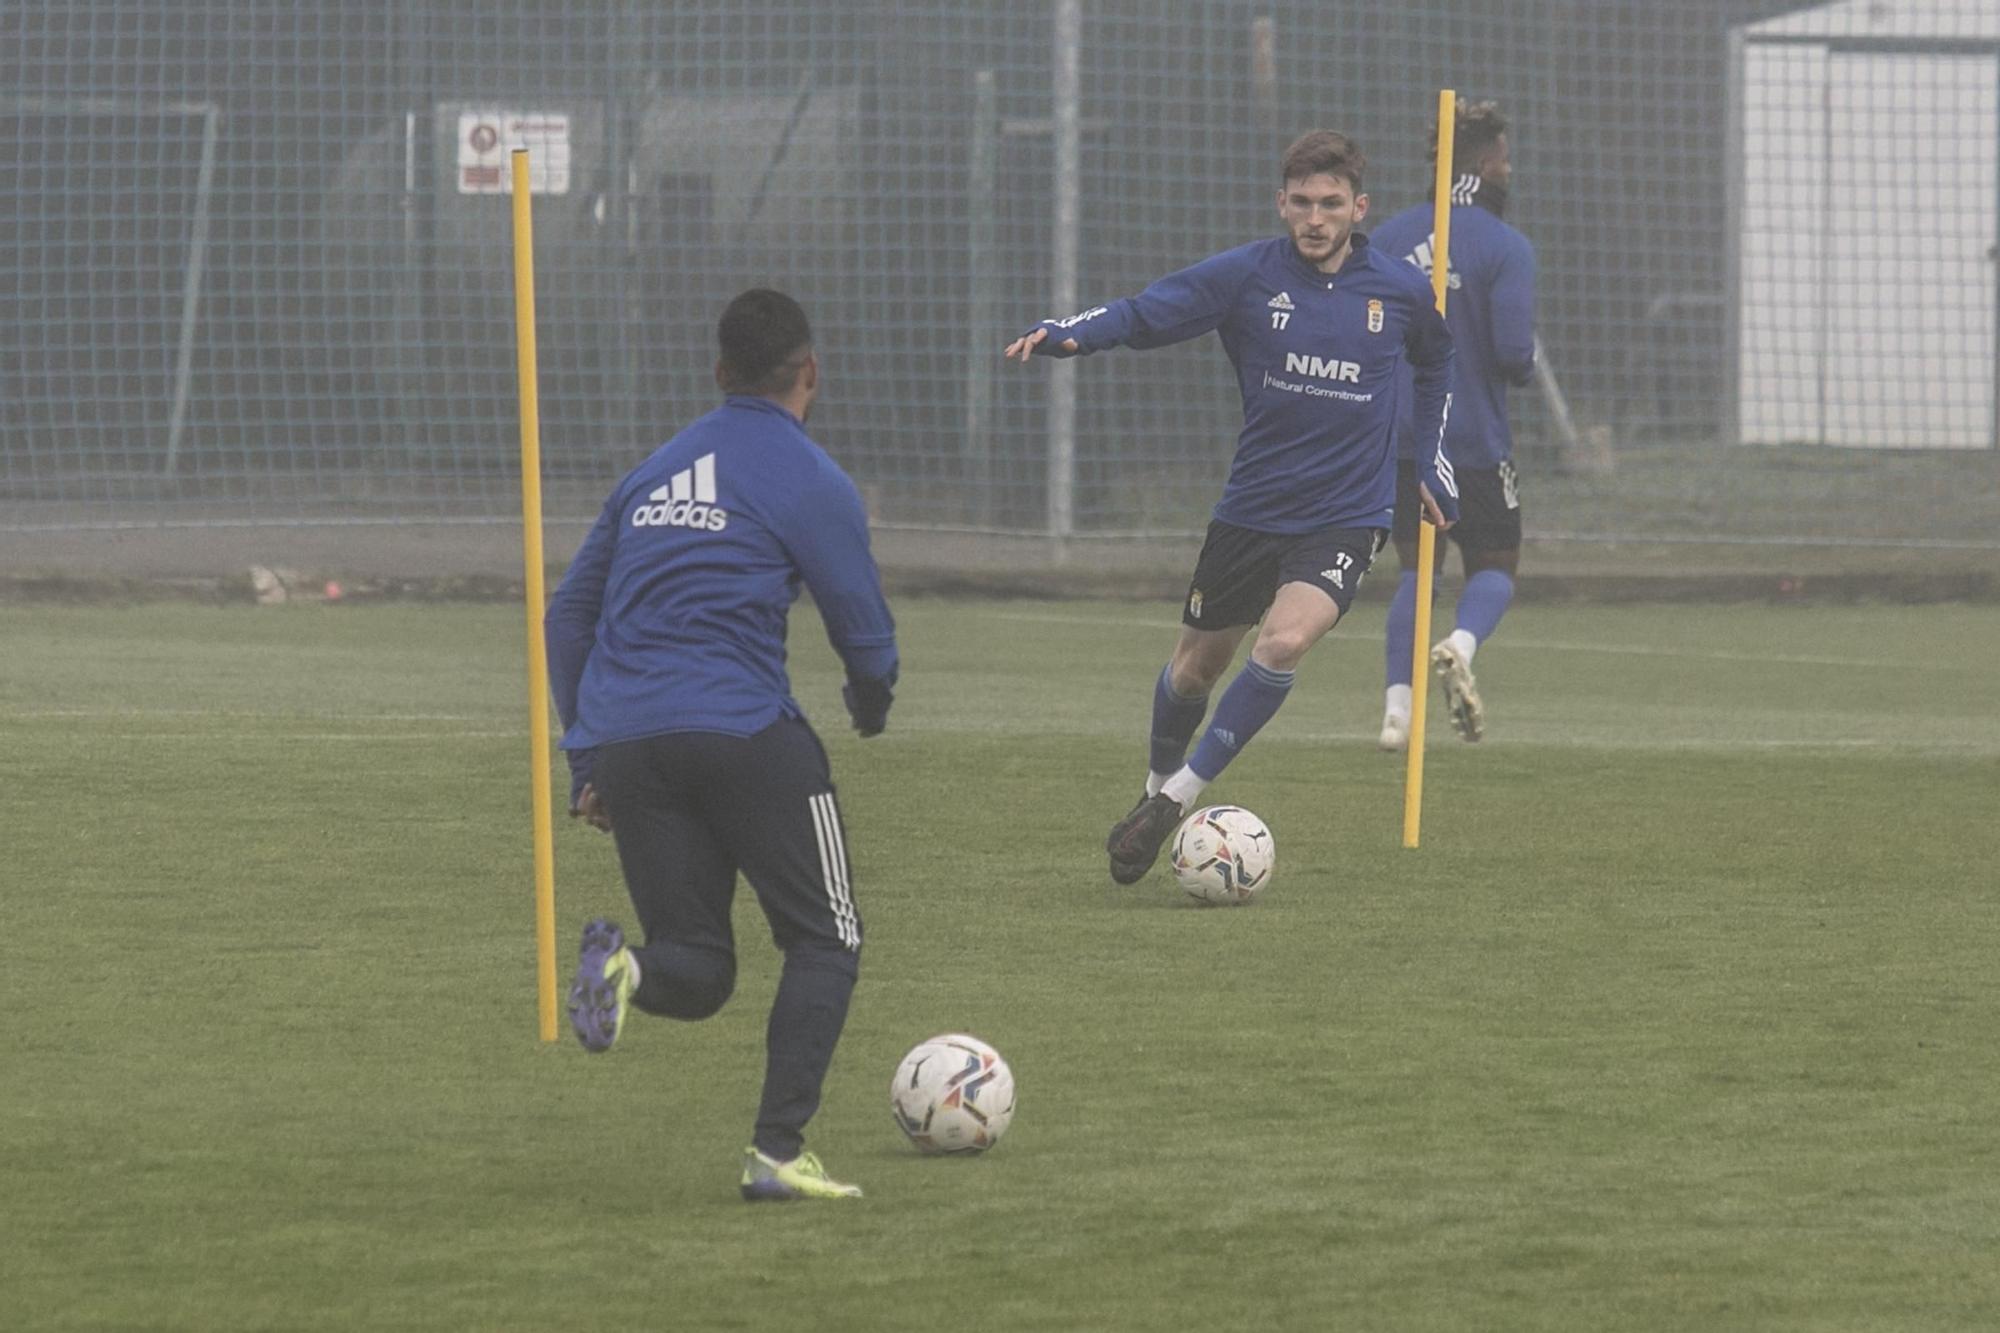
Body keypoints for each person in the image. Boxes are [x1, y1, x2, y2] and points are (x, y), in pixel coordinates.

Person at [1004, 130, 1458, 884]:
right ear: (1282, 204)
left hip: (1347, 514)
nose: (1316, 218)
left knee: (1282, 643)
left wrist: (1433, 459)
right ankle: (1153, 790)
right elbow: (1146, 312)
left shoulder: (1399, 292)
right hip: (1253, 507)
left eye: (1332, 203)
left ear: (1359, 207)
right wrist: (1069, 335)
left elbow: (1438, 360)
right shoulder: (1247, 275)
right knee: (1192, 672)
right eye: (1303, 203)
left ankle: (1177, 799)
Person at [545, 289, 898, 1202]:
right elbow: (863, 631)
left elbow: (568, 613)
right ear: (809, 374)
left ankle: (622, 969)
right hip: (743, 731)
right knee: (828, 940)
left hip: (629, 742)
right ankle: (778, 1152)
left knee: (696, 967)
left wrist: (589, 760)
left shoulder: (652, 473)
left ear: (720, 374)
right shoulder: (809, 476)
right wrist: (870, 703)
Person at [1367, 101, 1536, 749]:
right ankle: (1460, 645)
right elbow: (1514, 355)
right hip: (1474, 439)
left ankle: (1395, 712)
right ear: (1486, 163)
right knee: (1495, 563)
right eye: (1505, 157)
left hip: (1405, 437)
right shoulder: (1505, 246)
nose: (1509, 168)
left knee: (1418, 569)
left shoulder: (1384, 239)